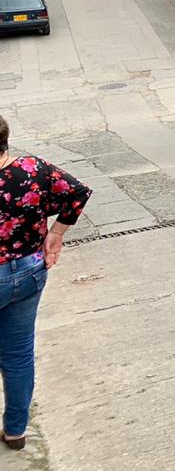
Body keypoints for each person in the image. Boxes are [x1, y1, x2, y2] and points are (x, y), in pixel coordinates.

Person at [0, 115, 91, 450]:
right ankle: (15, 430)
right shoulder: (32, 169)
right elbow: (78, 193)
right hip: (28, 272)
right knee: (18, 353)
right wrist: (57, 233)